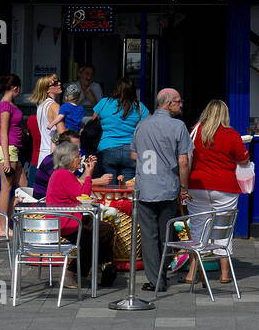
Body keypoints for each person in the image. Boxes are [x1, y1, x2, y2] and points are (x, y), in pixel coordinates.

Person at [131, 88, 192, 293]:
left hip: (145, 187)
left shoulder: (142, 125)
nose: (180, 104)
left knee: (149, 236)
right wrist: (184, 187)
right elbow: (183, 160)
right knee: (166, 234)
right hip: (167, 187)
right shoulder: (178, 126)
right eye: (178, 101)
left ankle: (154, 278)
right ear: (168, 104)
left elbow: (134, 155)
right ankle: (161, 275)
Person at [185, 99, 249, 286]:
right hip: (225, 186)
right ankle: (224, 274)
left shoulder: (195, 132)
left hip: (197, 184)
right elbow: (243, 160)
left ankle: (191, 273)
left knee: (197, 228)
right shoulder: (231, 135)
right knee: (223, 229)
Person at [45, 138, 116, 286]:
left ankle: (102, 265)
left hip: (68, 219)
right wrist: (89, 173)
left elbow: (79, 196)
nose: (80, 159)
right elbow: (82, 195)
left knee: (103, 230)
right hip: (67, 222)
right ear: (69, 159)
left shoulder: (63, 174)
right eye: (78, 156)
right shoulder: (64, 175)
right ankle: (76, 271)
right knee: (96, 234)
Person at [91, 77, 149, 179]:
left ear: (117, 89)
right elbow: (151, 124)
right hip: (131, 151)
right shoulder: (139, 106)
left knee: (108, 185)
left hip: (107, 149)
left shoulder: (104, 103)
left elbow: (93, 123)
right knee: (127, 188)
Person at [32, 131, 114, 200]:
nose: (79, 150)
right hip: (45, 204)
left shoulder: (66, 166)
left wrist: (88, 170)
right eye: (75, 147)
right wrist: (100, 181)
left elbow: (77, 185)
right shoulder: (52, 161)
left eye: (79, 147)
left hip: (59, 205)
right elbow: (81, 194)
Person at [0, 74, 27, 238]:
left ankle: (15, 222)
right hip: (7, 149)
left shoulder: (9, 104)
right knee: (6, 188)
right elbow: (3, 133)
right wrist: (6, 159)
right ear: (15, 88)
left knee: (23, 187)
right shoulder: (5, 106)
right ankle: (3, 227)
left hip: (13, 149)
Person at [32, 74, 65, 163]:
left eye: (58, 81)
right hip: (54, 157)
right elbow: (63, 134)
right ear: (47, 89)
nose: (59, 83)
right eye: (55, 83)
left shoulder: (40, 106)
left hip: (43, 157)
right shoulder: (54, 106)